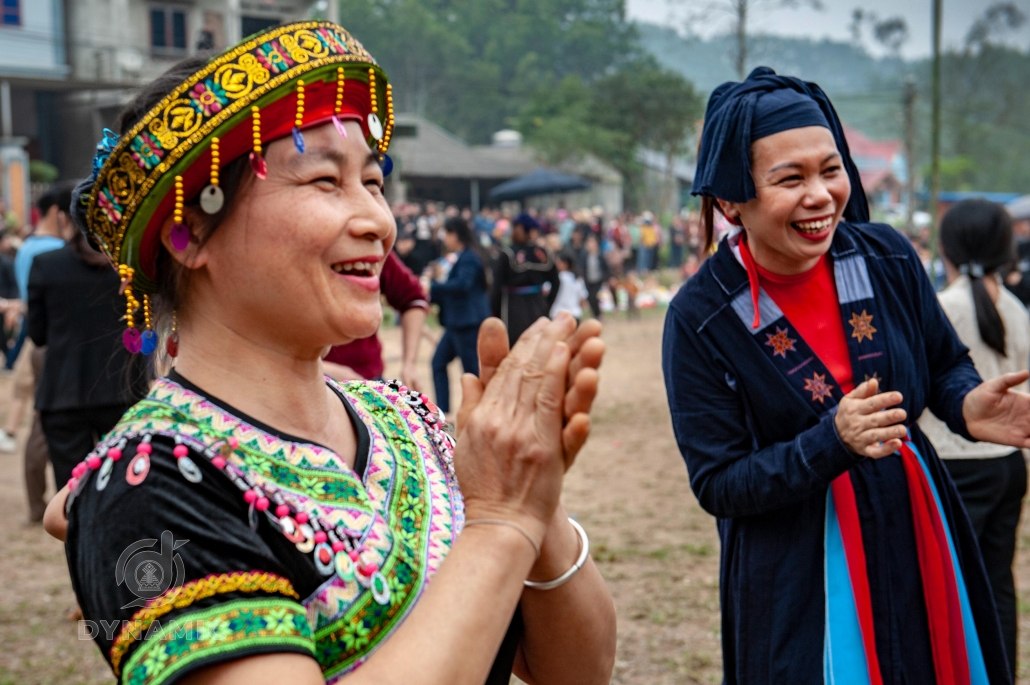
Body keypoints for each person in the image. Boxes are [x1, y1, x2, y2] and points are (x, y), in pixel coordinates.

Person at [47, 22, 615, 685]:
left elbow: (580, 671)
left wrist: (532, 495)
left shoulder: (408, 420)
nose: (379, 219)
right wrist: (501, 517)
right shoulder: (145, 487)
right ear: (189, 230)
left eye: (374, 181)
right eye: (324, 180)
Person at [662, 67, 1020, 684]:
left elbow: (943, 363)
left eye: (831, 171)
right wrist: (832, 441)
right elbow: (718, 482)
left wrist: (964, 405)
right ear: (729, 200)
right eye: (789, 179)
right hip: (797, 572)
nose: (822, 196)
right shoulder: (701, 318)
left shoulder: (885, 256)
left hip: (917, 528)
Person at [918, 198, 1029, 678]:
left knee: (949, 585)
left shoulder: (943, 307)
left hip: (954, 464)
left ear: (944, 247)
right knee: (996, 581)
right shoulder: (1017, 307)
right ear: (1008, 249)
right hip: (1007, 464)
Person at [28, 227, 149, 490]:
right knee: (126, 488)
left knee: (72, 493)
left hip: (64, 393)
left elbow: (38, 335)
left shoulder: (46, 265)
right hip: (123, 391)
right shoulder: (131, 267)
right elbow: (144, 322)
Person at [9, 183, 72, 522]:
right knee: (46, 421)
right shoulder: (54, 252)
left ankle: (38, 502)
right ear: (57, 213)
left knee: (38, 416)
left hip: (37, 342)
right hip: (55, 345)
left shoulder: (27, 248)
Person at [321, 251, 428, 390]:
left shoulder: (370, 251)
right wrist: (319, 370)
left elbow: (413, 298)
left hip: (368, 383)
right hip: (305, 387)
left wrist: (409, 364)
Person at [429, 217, 490, 416]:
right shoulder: (463, 255)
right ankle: (443, 412)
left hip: (467, 322)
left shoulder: (470, 257)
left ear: (454, 233)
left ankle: (478, 411)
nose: (445, 239)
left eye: (446, 234)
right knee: (439, 362)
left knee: (470, 371)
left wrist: (432, 287)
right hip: (457, 321)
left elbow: (463, 285)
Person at [491, 213, 560, 346]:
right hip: (539, 306)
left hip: (513, 308)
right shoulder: (544, 253)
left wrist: (495, 311)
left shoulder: (507, 253)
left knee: (515, 346)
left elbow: (496, 287)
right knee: (538, 345)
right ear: (532, 231)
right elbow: (556, 283)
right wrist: (547, 304)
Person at [550, 252, 588, 323]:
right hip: (574, 315)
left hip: (557, 314)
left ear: (565, 264)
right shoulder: (577, 279)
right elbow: (583, 300)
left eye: (558, 262)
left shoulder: (556, 279)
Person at [578, 235, 609, 320]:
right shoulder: (584, 255)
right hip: (588, 280)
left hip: (598, 280)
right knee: (590, 297)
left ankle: (598, 314)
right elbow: (581, 267)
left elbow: (606, 267)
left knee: (595, 296)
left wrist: (608, 278)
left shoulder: (600, 254)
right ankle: (595, 314)